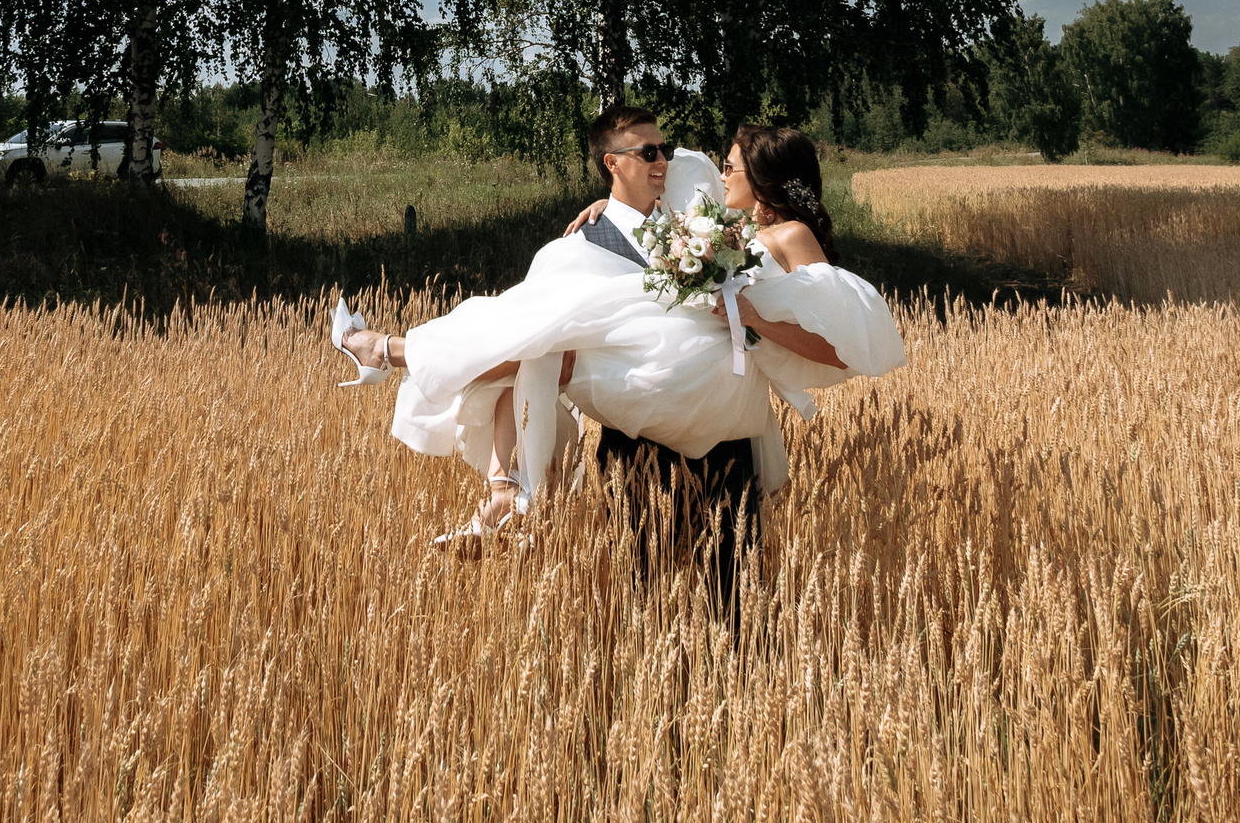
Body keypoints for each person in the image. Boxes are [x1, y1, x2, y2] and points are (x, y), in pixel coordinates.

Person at [333, 109, 903, 552]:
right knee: (543, 339)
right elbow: (665, 172)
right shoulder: (714, 225)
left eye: (731, 166)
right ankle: (503, 492)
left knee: (550, 336)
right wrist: (607, 206)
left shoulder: (792, 235)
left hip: (694, 376)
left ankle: (390, 354)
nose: (720, 172)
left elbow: (833, 349)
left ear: (762, 178)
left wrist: (752, 317)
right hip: (673, 357)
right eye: (726, 165)